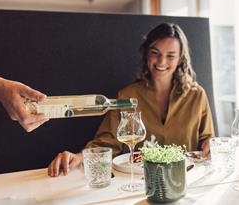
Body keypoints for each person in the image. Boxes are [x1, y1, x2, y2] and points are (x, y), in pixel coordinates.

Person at [48, 23, 215, 177]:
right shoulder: (127, 96)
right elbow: (107, 141)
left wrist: (210, 145)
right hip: (139, 181)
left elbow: (207, 141)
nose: (161, 62)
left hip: (186, 179)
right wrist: (78, 157)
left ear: (180, 59)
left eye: (170, 56)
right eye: (155, 53)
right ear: (146, 54)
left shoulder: (197, 95)